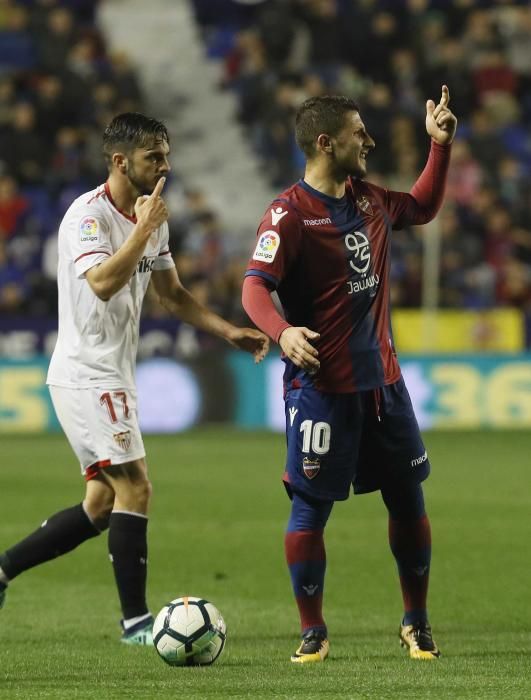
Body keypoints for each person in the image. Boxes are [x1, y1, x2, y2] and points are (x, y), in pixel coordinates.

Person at [0, 112, 269, 645]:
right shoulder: (87, 217)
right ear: (121, 161)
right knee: (136, 487)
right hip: (87, 374)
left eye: (166, 155)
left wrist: (226, 330)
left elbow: (170, 295)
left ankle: (3, 569)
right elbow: (102, 282)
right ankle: (136, 624)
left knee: (102, 505)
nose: (166, 166)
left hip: (113, 375)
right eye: (155, 157)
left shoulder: (154, 218)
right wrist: (143, 228)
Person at [242, 87, 457, 662]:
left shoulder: (371, 199)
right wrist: (282, 331)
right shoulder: (287, 215)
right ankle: (312, 628)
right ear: (325, 141)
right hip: (321, 390)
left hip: (384, 385)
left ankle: (416, 621)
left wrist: (440, 147)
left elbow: (424, 206)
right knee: (311, 508)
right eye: (359, 132)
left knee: (408, 501)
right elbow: (254, 286)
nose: (369, 140)